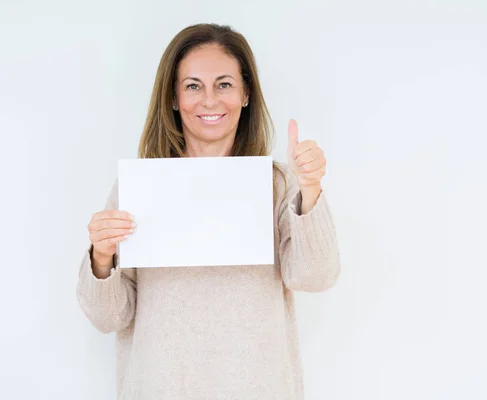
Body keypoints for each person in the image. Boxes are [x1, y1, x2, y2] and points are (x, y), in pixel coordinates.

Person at [76, 23, 340, 399]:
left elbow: (316, 277)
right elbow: (109, 318)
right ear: (173, 97)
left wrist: (311, 189)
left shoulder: (279, 184)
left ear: (246, 94)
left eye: (224, 84)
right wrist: (102, 258)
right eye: (193, 85)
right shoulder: (138, 187)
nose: (210, 100)